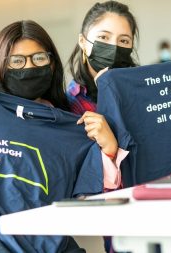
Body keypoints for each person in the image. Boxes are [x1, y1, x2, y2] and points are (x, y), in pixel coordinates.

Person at [0, 20, 106, 253]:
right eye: (17, 61)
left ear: (52, 64)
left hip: (37, 234)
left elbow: (87, 199)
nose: (28, 67)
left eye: (39, 58)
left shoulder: (70, 127)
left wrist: (109, 148)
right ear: (1, 65)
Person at [67, 1, 139, 252]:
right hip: (120, 230)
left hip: (169, 211)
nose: (113, 47)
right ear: (83, 42)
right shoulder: (69, 106)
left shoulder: (145, 93)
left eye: (123, 41)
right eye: (103, 37)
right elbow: (83, 188)